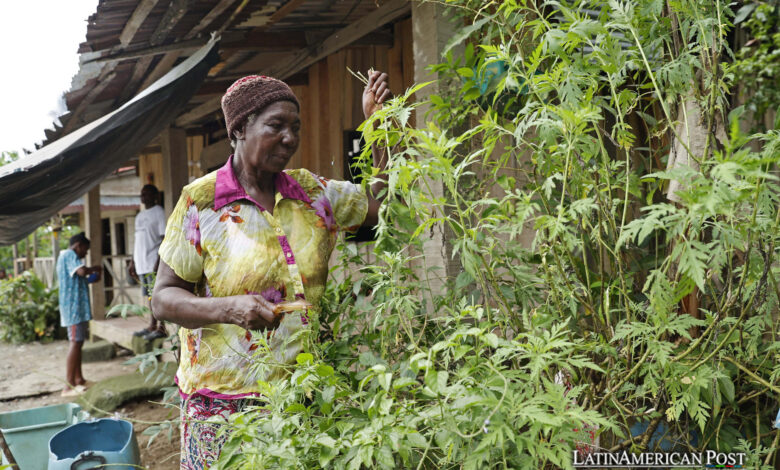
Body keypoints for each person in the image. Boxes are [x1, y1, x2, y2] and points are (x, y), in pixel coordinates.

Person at [152, 71, 390, 467]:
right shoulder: (202, 202)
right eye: (276, 125)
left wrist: (378, 128)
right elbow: (163, 298)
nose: (290, 137)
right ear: (241, 128)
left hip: (302, 395)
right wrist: (229, 308)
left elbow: (379, 207)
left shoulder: (312, 193)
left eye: (295, 127)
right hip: (223, 409)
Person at [56, 232, 102, 397]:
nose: (86, 254)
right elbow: (82, 272)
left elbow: (79, 279)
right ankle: (68, 386)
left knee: (79, 343)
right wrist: (94, 269)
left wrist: (92, 278)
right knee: (75, 343)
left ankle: (79, 380)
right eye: (85, 250)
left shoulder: (70, 258)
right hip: (73, 309)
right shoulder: (69, 255)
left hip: (78, 309)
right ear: (78, 246)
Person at [130, 184, 167, 340]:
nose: (143, 197)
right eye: (141, 194)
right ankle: (152, 325)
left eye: (146, 194)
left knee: (157, 295)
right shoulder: (139, 216)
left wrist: (159, 261)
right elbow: (137, 240)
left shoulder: (159, 212)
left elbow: (165, 238)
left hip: (153, 261)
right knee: (149, 296)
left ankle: (161, 327)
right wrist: (132, 261)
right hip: (141, 263)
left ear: (155, 196)